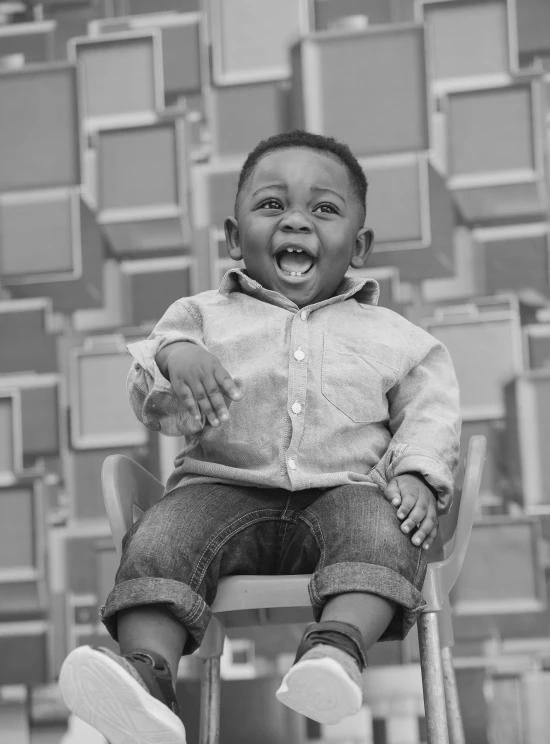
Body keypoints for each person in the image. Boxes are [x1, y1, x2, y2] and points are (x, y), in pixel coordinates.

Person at [59, 130, 460, 744]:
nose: (295, 221)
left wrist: (415, 472)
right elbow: (151, 391)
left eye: (323, 209)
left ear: (359, 245)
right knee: (162, 534)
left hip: (343, 490)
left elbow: (430, 407)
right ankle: (146, 678)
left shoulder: (395, 336)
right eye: (272, 205)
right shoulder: (200, 316)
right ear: (232, 235)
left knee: (381, 529)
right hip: (222, 489)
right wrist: (177, 361)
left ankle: (335, 651)